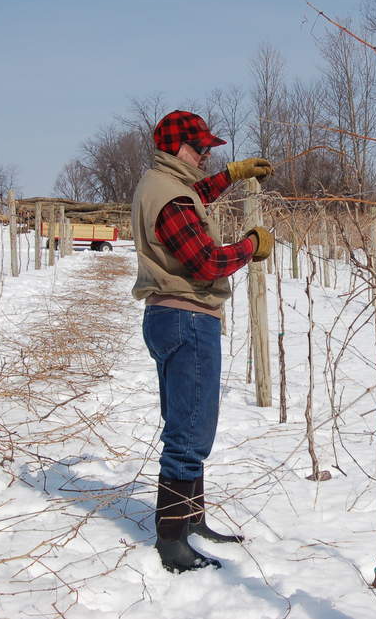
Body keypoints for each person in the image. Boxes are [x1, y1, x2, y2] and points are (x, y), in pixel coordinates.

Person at [131, 109, 274, 573]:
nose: (206, 156)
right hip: (188, 318)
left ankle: (192, 520)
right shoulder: (170, 198)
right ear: (176, 147)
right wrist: (250, 246)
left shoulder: (163, 183)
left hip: (172, 316)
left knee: (189, 423)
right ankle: (172, 540)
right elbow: (208, 262)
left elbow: (194, 195)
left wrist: (231, 176)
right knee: (189, 432)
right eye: (200, 148)